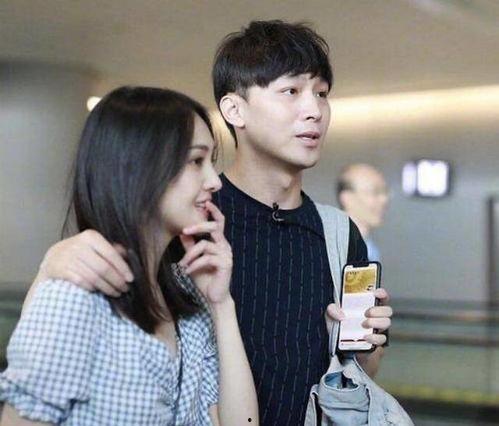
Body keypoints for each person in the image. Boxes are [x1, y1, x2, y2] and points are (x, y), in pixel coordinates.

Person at [21, 21, 392, 425]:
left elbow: (359, 376)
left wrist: (366, 342)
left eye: (321, 93)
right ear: (234, 110)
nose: (314, 110)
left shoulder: (338, 233)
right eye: (292, 91)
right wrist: (52, 267)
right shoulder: (188, 217)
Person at [0, 87, 258, 425]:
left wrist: (222, 305)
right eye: (197, 161)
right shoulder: (78, 296)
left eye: (211, 162)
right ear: (141, 168)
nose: (214, 181)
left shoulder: (189, 295)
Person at [337, 163, 390, 262]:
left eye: (385, 192)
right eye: (375, 192)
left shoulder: (370, 248)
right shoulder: (336, 251)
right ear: (348, 198)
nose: (384, 199)